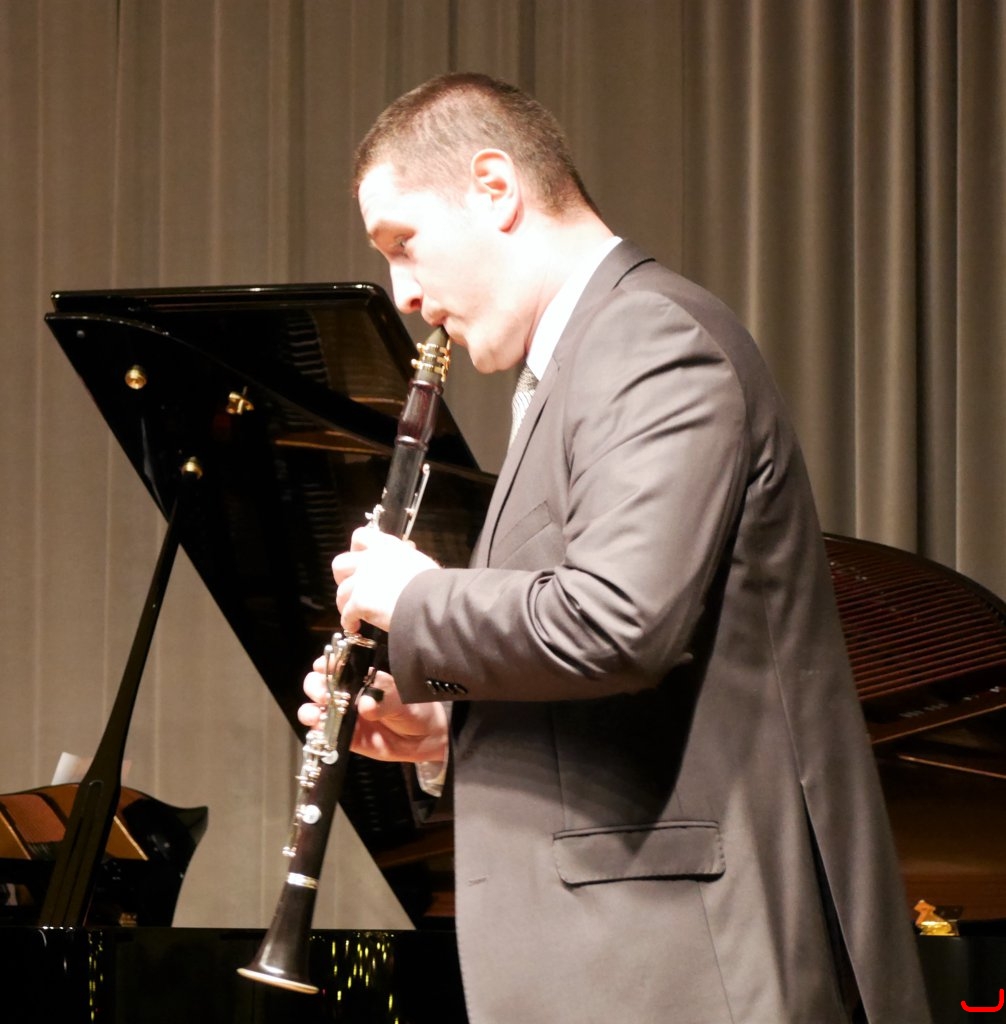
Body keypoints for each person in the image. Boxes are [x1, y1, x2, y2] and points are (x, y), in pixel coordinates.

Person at [301, 72, 931, 1023]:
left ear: (494, 189)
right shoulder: (584, 358)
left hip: (684, 970)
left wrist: (414, 599)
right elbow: (624, 687)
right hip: (628, 964)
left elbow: (619, 622)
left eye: (404, 243)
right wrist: (444, 729)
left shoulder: (648, 339)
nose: (406, 293)